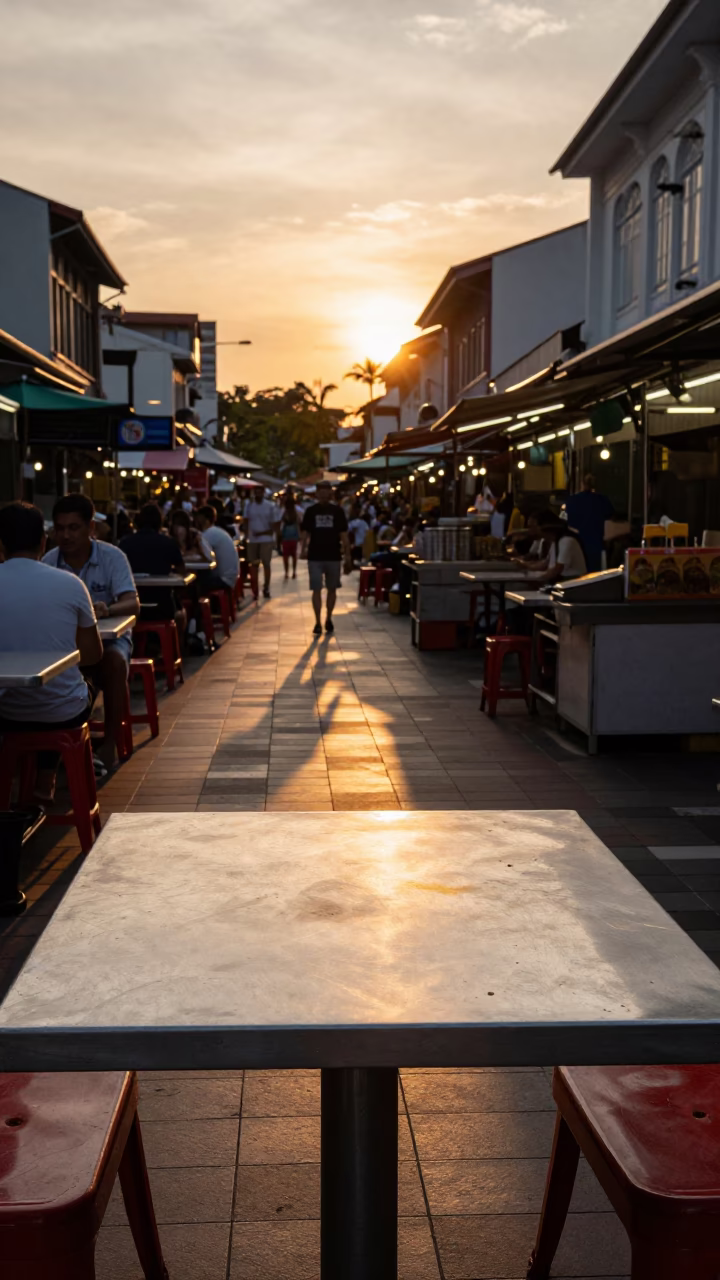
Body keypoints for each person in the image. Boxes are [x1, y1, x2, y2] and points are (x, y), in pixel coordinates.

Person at [0, 502, 103, 803]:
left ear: (1, 544)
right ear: (44, 541)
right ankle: (47, 776)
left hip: (7, 711)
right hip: (63, 712)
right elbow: (93, 655)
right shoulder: (70, 584)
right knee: (82, 683)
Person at [43, 493, 139, 770]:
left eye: (73, 528)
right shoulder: (49, 561)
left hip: (111, 641)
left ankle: (109, 744)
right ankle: (53, 754)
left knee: (114, 661)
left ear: (90, 528)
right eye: (59, 528)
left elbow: (133, 603)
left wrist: (107, 609)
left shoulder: (112, 557)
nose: (66, 535)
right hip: (63, 645)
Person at [119, 503, 187, 644]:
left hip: (131, 607)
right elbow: (182, 571)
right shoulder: (168, 543)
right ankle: (176, 647)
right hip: (163, 606)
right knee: (181, 610)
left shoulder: (124, 544)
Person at [300, 480, 352, 636]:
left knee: (332, 589)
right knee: (316, 589)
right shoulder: (310, 511)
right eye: (320, 491)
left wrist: (348, 555)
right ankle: (317, 621)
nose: (323, 494)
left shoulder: (338, 511)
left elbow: (343, 534)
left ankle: (328, 617)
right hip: (315, 555)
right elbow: (305, 532)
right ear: (316, 493)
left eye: (326, 491)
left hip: (333, 555)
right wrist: (303, 550)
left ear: (330, 493)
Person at [564, 474, 614, 573]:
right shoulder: (602, 500)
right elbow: (610, 515)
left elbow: (569, 520)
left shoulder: (573, 500)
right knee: (595, 572)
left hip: (578, 540)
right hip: (596, 541)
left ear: (581, 484)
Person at [243, 486, 280, 599]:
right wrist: (246, 535)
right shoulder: (249, 506)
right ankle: (255, 589)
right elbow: (246, 521)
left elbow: (275, 525)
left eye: (260, 492)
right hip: (253, 540)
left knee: (266, 564)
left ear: (263, 493)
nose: (258, 494)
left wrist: (266, 534)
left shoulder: (270, 506)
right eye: (256, 492)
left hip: (266, 540)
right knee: (254, 564)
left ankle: (266, 587)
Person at [195, 504, 240, 593]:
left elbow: (203, 555)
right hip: (231, 578)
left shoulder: (208, 534)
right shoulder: (216, 531)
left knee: (193, 585)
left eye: (198, 519)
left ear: (205, 520)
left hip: (223, 580)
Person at [279, 493, 301, 580]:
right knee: (293, 555)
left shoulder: (284, 512)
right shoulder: (296, 512)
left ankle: (287, 572)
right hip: (293, 536)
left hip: (286, 536)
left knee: (286, 556)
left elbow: (281, 524)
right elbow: (298, 524)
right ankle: (293, 572)